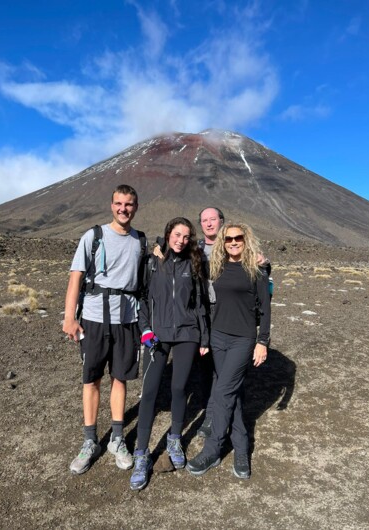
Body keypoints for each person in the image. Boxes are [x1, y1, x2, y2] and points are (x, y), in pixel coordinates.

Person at [62, 184, 144, 475]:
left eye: (129, 204)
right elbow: (76, 278)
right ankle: (89, 442)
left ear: (136, 207)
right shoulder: (93, 236)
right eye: (119, 203)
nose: (124, 209)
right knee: (92, 379)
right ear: (112, 205)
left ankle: (117, 439)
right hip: (95, 319)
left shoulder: (140, 241)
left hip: (127, 321)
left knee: (120, 378)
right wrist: (69, 318)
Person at [129, 217, 210, 491]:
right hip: (158, 335)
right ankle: (142, 454)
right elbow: (141, 298)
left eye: (186, 237)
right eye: (177, 235)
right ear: (167, 234)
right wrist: (145, 330)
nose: (181, 240)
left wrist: (204, 336)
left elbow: (199, 304)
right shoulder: (153, 262)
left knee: (178, 388)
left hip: (187, 334)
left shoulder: (194, 264)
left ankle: (175, 438)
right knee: (149, 392)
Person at [186, 223, 271, 480]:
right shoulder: (216, 267)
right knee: (231, 394)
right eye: (229, 238)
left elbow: (266, 309)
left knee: (223, 391)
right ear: (222, 242)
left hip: (242, 340)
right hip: (218, 337)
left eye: (239, 238)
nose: (233, 242)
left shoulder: (256, 269)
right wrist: (159, 249)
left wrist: (262, 341)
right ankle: (242, 449)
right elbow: (188, 265)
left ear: (246, 240)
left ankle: (212, 450)